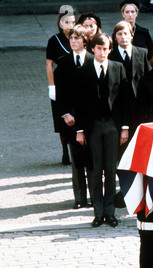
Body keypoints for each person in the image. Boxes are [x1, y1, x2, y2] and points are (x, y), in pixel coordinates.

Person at [74, 33, 130, 228]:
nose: (102, 52)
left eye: (106, 49)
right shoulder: (83, 71)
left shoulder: (118, 68)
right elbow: (78, 103)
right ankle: (98, 213)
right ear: (92, 49)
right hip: (93, 126)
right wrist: (80, 130)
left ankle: (110, 212)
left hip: (113, 125)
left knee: (111, 169)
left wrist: (124, 127)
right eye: (99, 48)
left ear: (110, 50)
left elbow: (125, 99)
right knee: (95, 170)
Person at [55, 24, 94, 210]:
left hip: (91, 118)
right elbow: (59, 93)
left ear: (85, 41)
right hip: (71, 119)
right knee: (76, 159)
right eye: (71, 38)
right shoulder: (63, 63)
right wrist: (65, 114)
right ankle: (80, 198)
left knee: (93, 158)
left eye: (77, 38)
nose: (73, 41)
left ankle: (95, 196)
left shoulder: (94, 61)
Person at [109, 21, 151, 137]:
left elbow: (149, 78)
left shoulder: (143, 53)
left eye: (126, 33)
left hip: (140, 106)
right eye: (119, 34)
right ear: (115, 37)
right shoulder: (110, 56)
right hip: (118, 107)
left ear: (132, 36)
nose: (123, 37)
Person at [46, 6, 76, 165]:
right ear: (60, 22)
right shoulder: (54, 40)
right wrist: (52, 86)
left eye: (72, 21)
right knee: (61, 119)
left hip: (76, 80)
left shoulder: (78, 37)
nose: (69, 25)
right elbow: (49, 64)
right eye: (66, 22)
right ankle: (65, 150)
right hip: (60, 81)